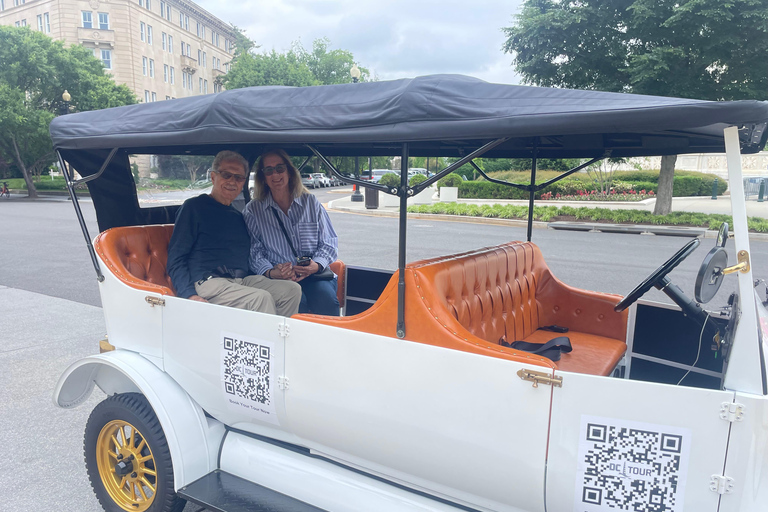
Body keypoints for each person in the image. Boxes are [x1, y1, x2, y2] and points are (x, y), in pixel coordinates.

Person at [167, 150, 301, 316]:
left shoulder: (238, 216)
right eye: (226, 175)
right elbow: (176, 257)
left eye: (238, 178)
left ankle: (279, 338)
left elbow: (251, 257)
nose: (232, 181)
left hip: (241, 280)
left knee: (291, 290)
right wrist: (189, 294)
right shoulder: (193, 208)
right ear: (213, 177)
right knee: (260, 298)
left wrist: (276, 270)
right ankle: (266, 341)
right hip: (209, 282)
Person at [243, 149, 340, 316]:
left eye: (280, 168)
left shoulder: (311, 203)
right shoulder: (253, 211)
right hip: (280, 278)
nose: (275, 175)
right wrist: (272, 272)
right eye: (269, 170)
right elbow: (254, 251)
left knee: (327, 301)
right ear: (263, 177)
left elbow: (329, 242)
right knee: (296, 304)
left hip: (313, 274)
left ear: (289, 171)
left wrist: (315, 265)